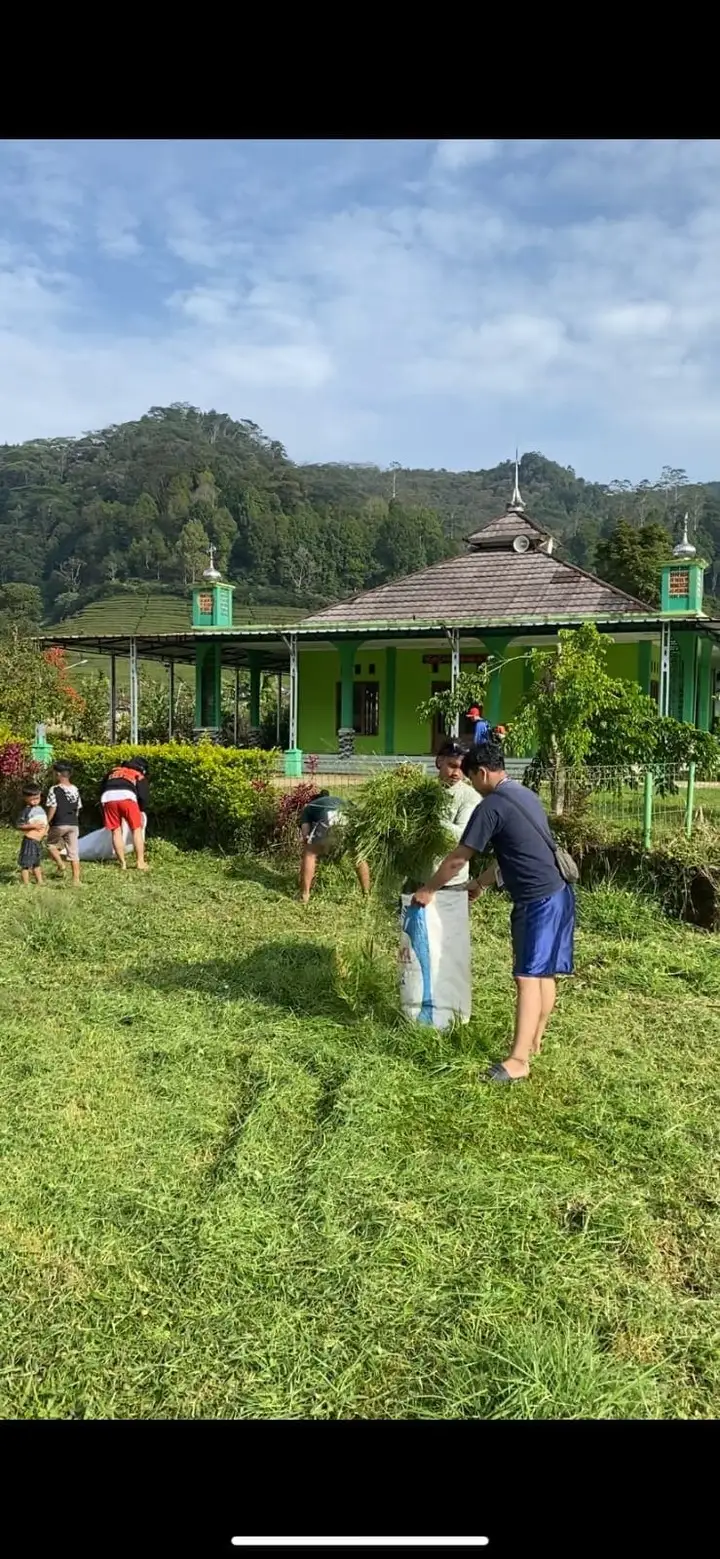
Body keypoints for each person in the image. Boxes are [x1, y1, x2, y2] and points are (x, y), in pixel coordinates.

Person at [412, 739, 575, 1084]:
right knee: (544, 973)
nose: (471, 784)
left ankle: (518, 1061)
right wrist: (481, 884)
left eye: (472, 777)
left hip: (538, 902)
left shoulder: (491, 806)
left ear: (482, 773)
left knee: (528, 976)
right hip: (560, 893)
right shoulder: (525, 794)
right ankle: (534, 1040)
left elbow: (459, 857)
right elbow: (514, 854)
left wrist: (428, 889)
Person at [298, 789, 370, 905]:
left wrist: (315, 844)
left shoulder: (309, 807)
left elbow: (306, 836)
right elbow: (357, 816)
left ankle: (305, 895)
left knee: (310, 853)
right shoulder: (341, 800)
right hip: (348, 818)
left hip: (328, 818)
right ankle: (366, 894)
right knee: (357, 856)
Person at [434, 739, 480, 886]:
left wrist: (433, 820)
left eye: (462, 769)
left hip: (451, 881)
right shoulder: (423, 791)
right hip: (418, 877)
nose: (456, 774)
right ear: (440, 761)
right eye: (452, 766)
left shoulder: (470, 796)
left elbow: (462, 835)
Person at [100, 757, 149, 871]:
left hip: (108, 798)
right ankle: (140, 862)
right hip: (128, 797)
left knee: (116, 831)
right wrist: (141, 810)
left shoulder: (113, 771)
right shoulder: (138, 775)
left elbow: (102, 788)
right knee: (136, 830)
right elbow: (144, 796)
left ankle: (122, 863)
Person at [45, 761, 82, 885]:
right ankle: (76, 880)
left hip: (59, 823)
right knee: (73, 852)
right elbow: (78, 807)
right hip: (73, 823)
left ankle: (61, 865)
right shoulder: (75, 789)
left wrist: (47, 822)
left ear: (58, 774)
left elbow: (53, 807)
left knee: (50, 845)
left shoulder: (54, 789)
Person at [17, 782, 48, 886]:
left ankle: (40, 881)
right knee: (26, 863)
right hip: (30, 840)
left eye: (37, 798)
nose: (35, 801)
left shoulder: (40, 809)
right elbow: (20, 825)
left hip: (38, 840)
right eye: (32, 799)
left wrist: (46, 830)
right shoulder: (26, 811)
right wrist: (33, 827)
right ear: (25, 798)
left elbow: (45, 822)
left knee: (36, 862)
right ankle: (26, 883)